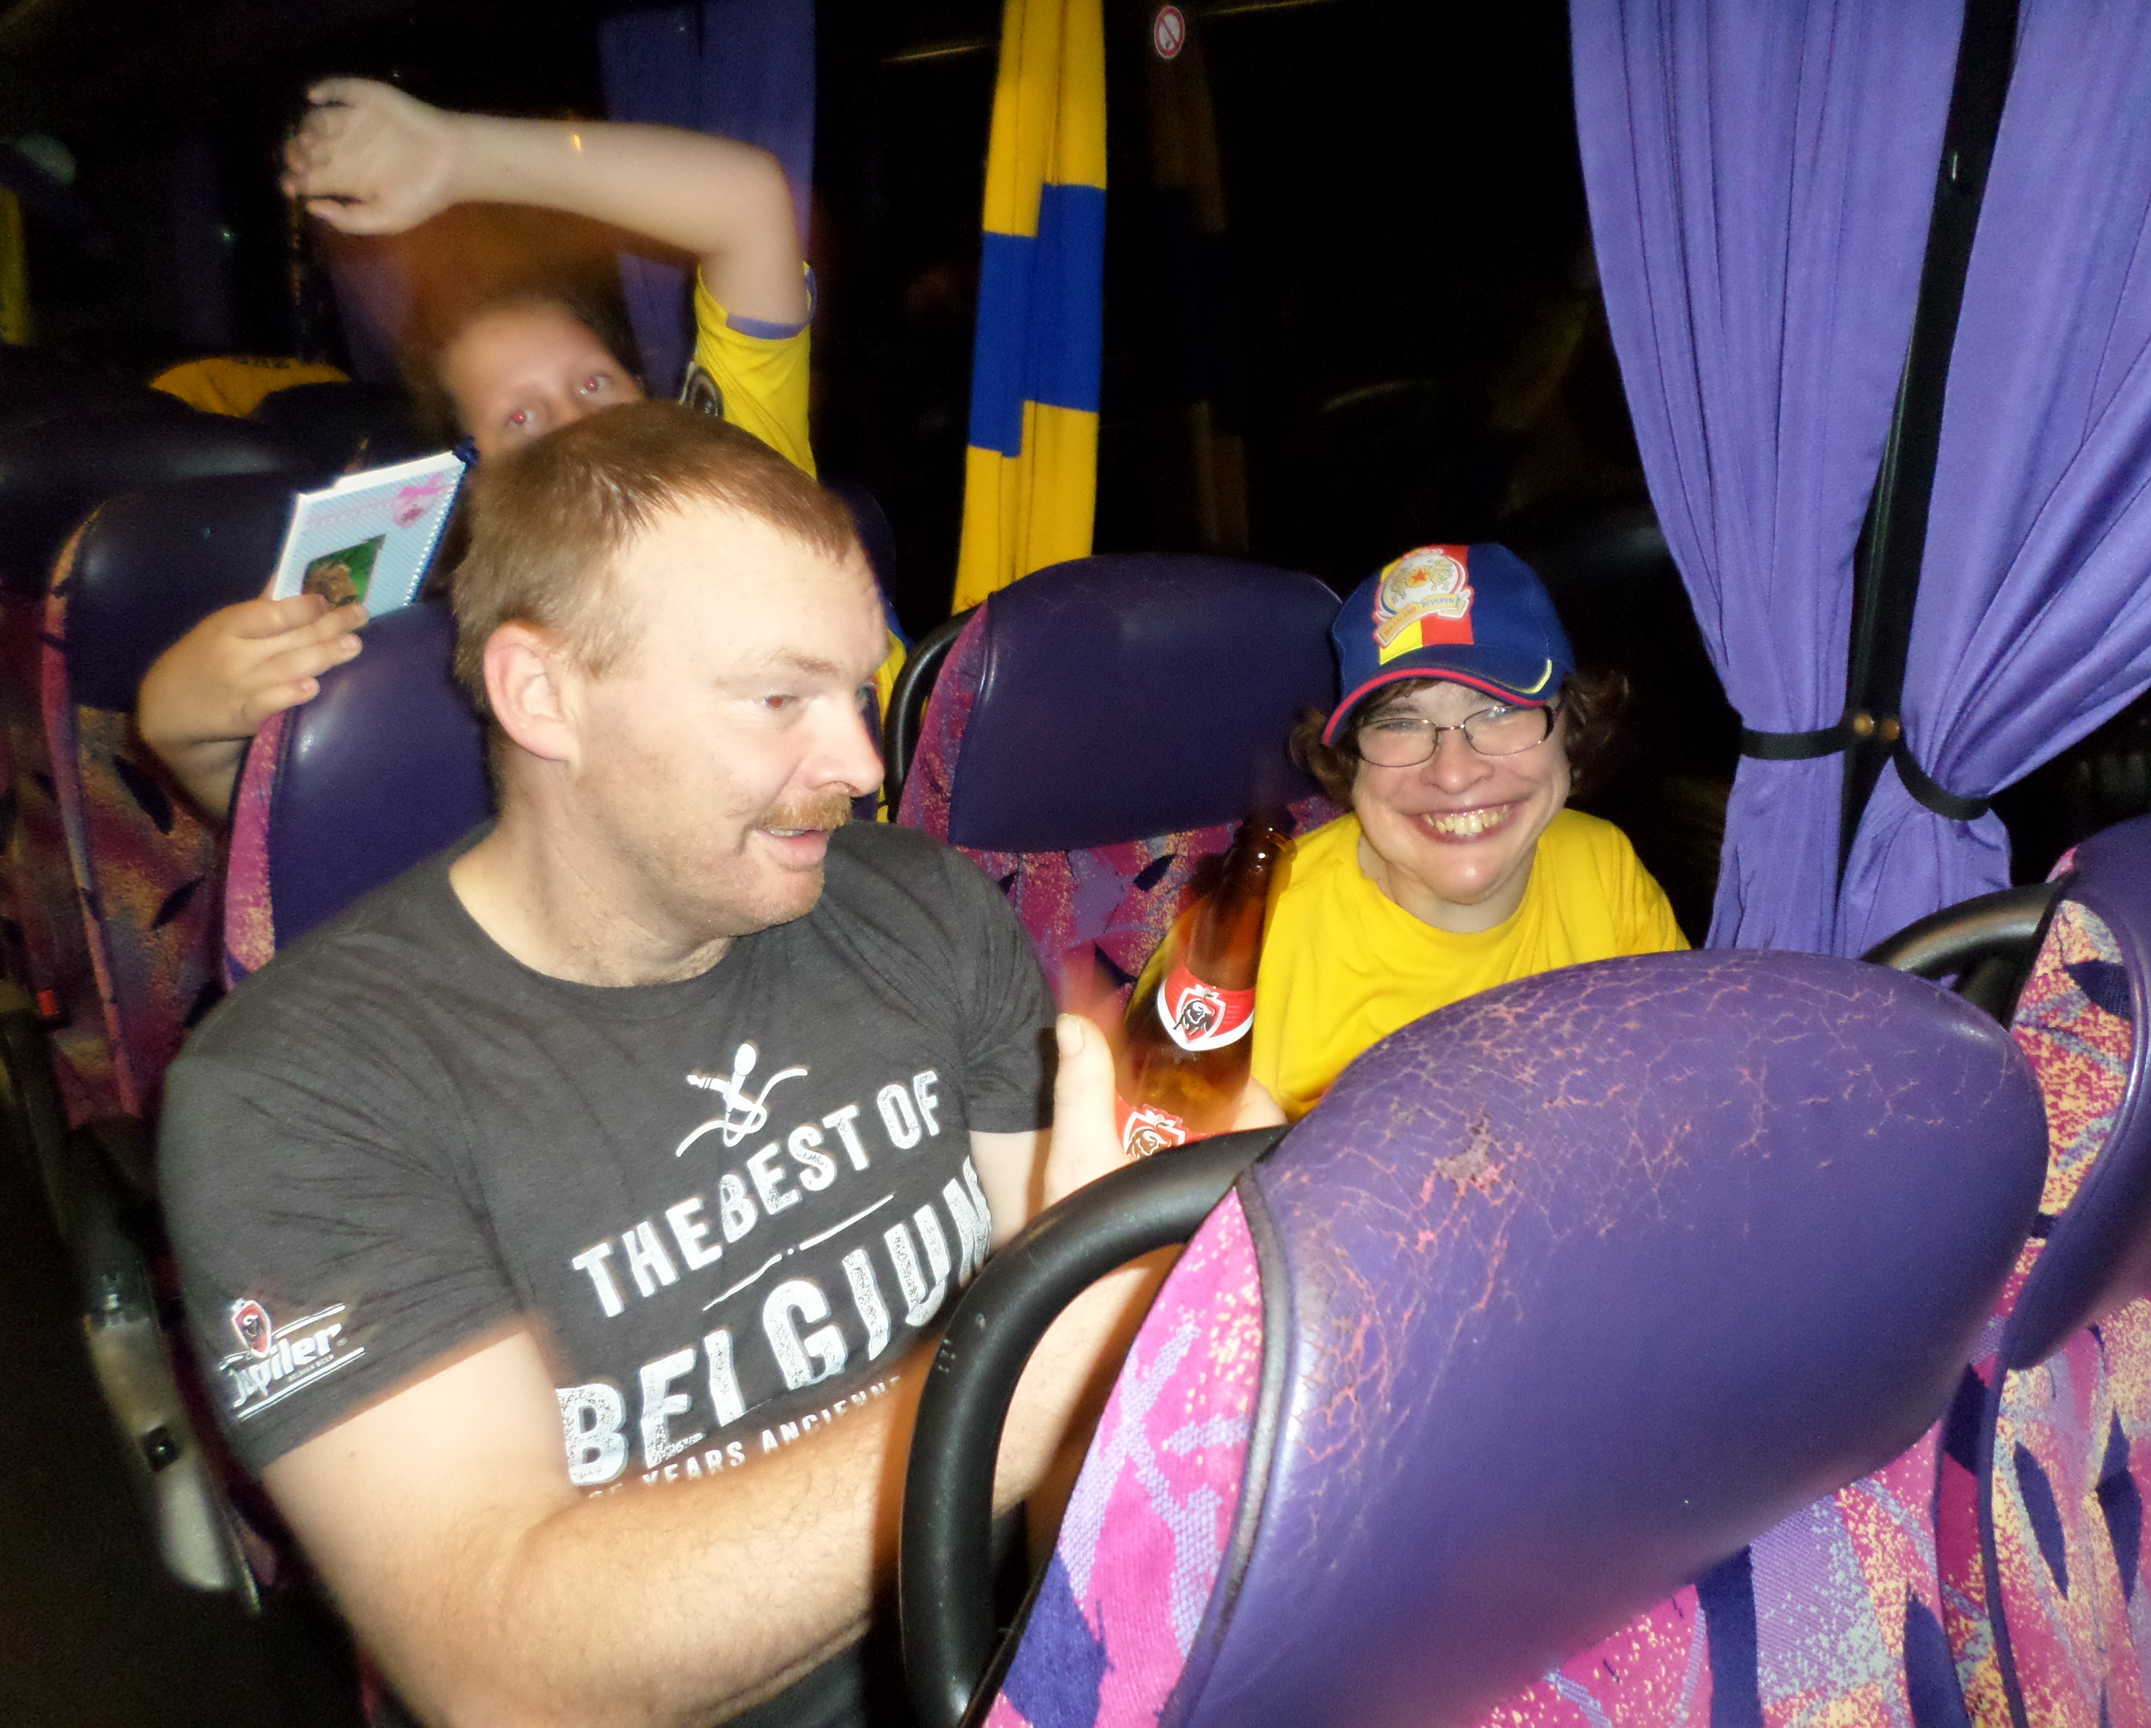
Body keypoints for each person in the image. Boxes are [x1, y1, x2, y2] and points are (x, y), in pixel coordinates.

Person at [158, 402, 1167, 1728]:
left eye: (858, 692)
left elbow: (1077, 1346)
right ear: (544, 695)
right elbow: (502, 1673)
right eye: (778, 699)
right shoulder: (298, 1094)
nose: (860, 764)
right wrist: (1024, 1387)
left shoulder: (919, 907)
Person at [137, 77, 900, 822]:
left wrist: (458, 156)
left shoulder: (739, 465)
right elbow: (327, 836)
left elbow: (748, 204)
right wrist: (187, 735)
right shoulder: (494, 649)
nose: (579, 424)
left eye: (595, 383)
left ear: (643, 390)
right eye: (523, 418)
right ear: (477, 475)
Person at [1250, 541, 1687, 1119]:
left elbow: (1681, 1102)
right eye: (1400, 722)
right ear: (1351, 758)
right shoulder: (1246, 941)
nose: (1454, 774)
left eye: (1501, 711)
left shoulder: (1603, 869)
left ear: (1572, 726)